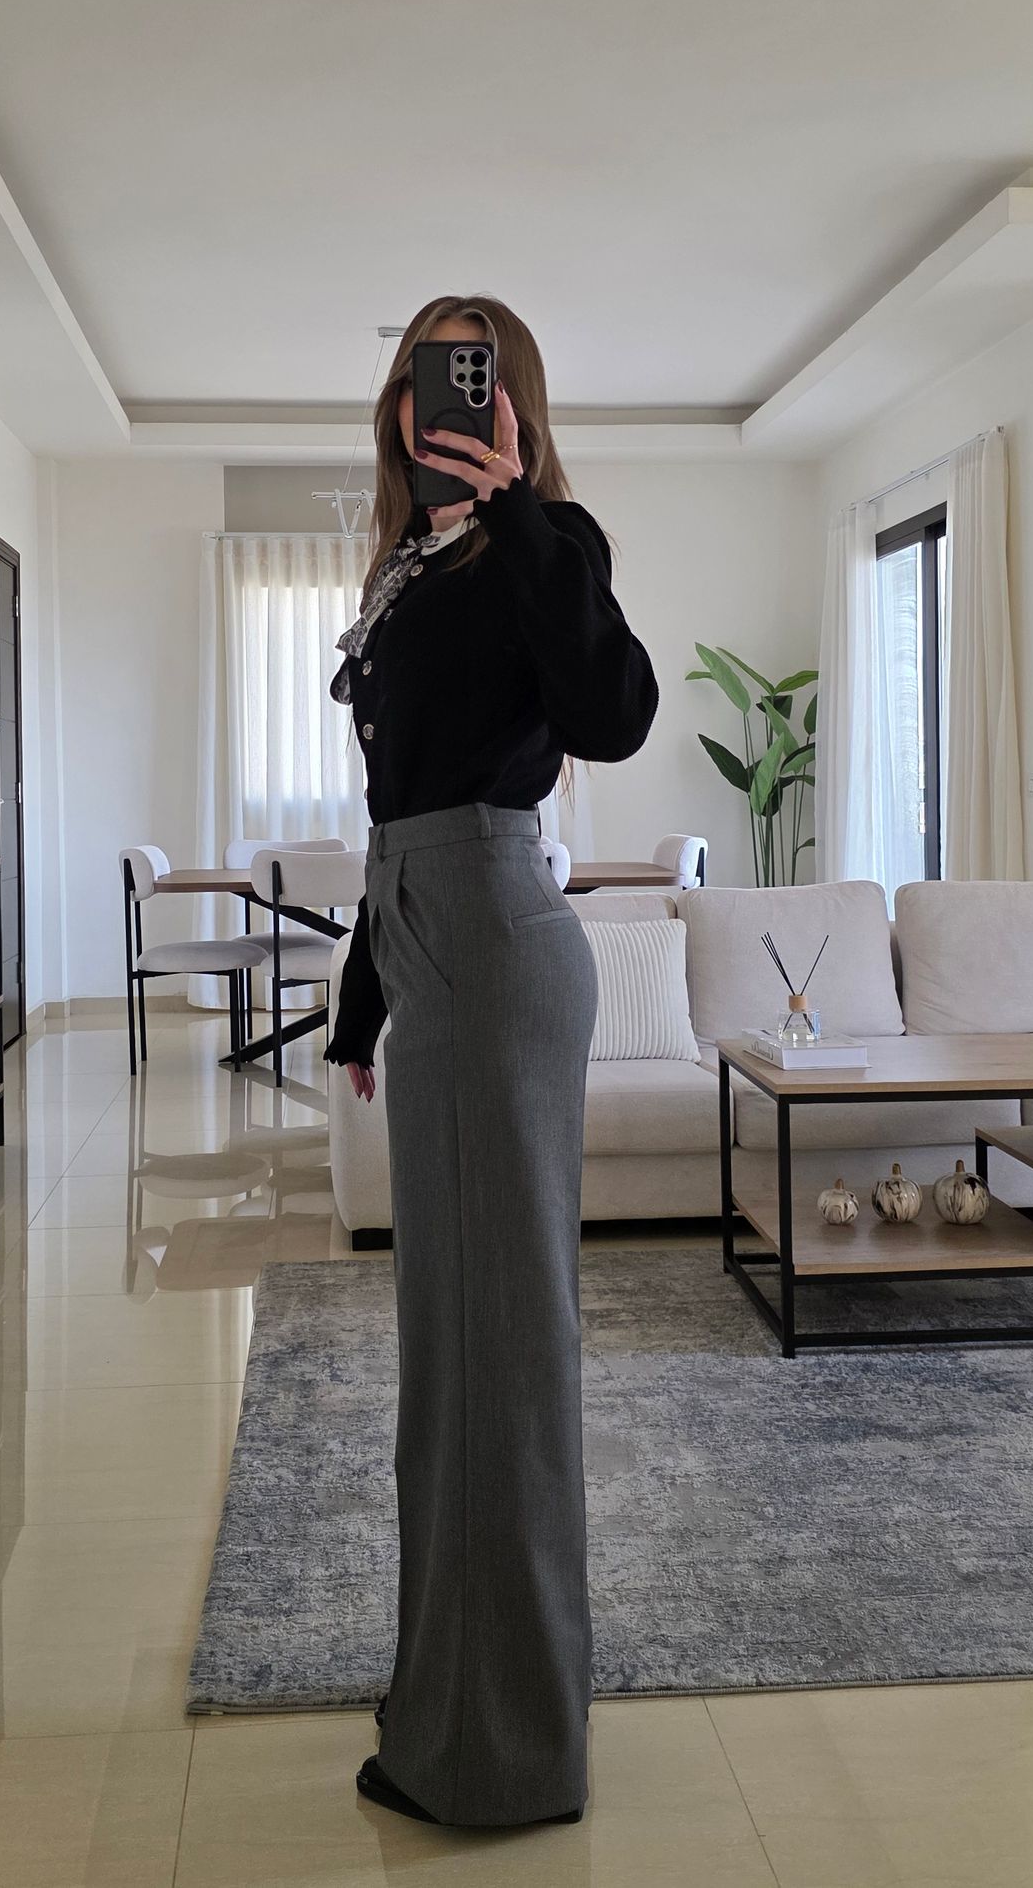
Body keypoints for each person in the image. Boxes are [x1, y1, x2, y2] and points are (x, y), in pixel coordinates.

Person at [324, 293, 659, 1829]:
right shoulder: (406, 566)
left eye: (468, 376)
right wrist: (363, 998)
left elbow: (613, 714)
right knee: (454, 1361)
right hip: (433, 936)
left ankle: (497, 1755)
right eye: (419, 374)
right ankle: (452, 1701)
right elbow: (402, 797)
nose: (436, 400)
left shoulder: (546, 542)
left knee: (496, 1363)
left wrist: (520, 509)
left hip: (497, 941)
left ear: (509, 400)